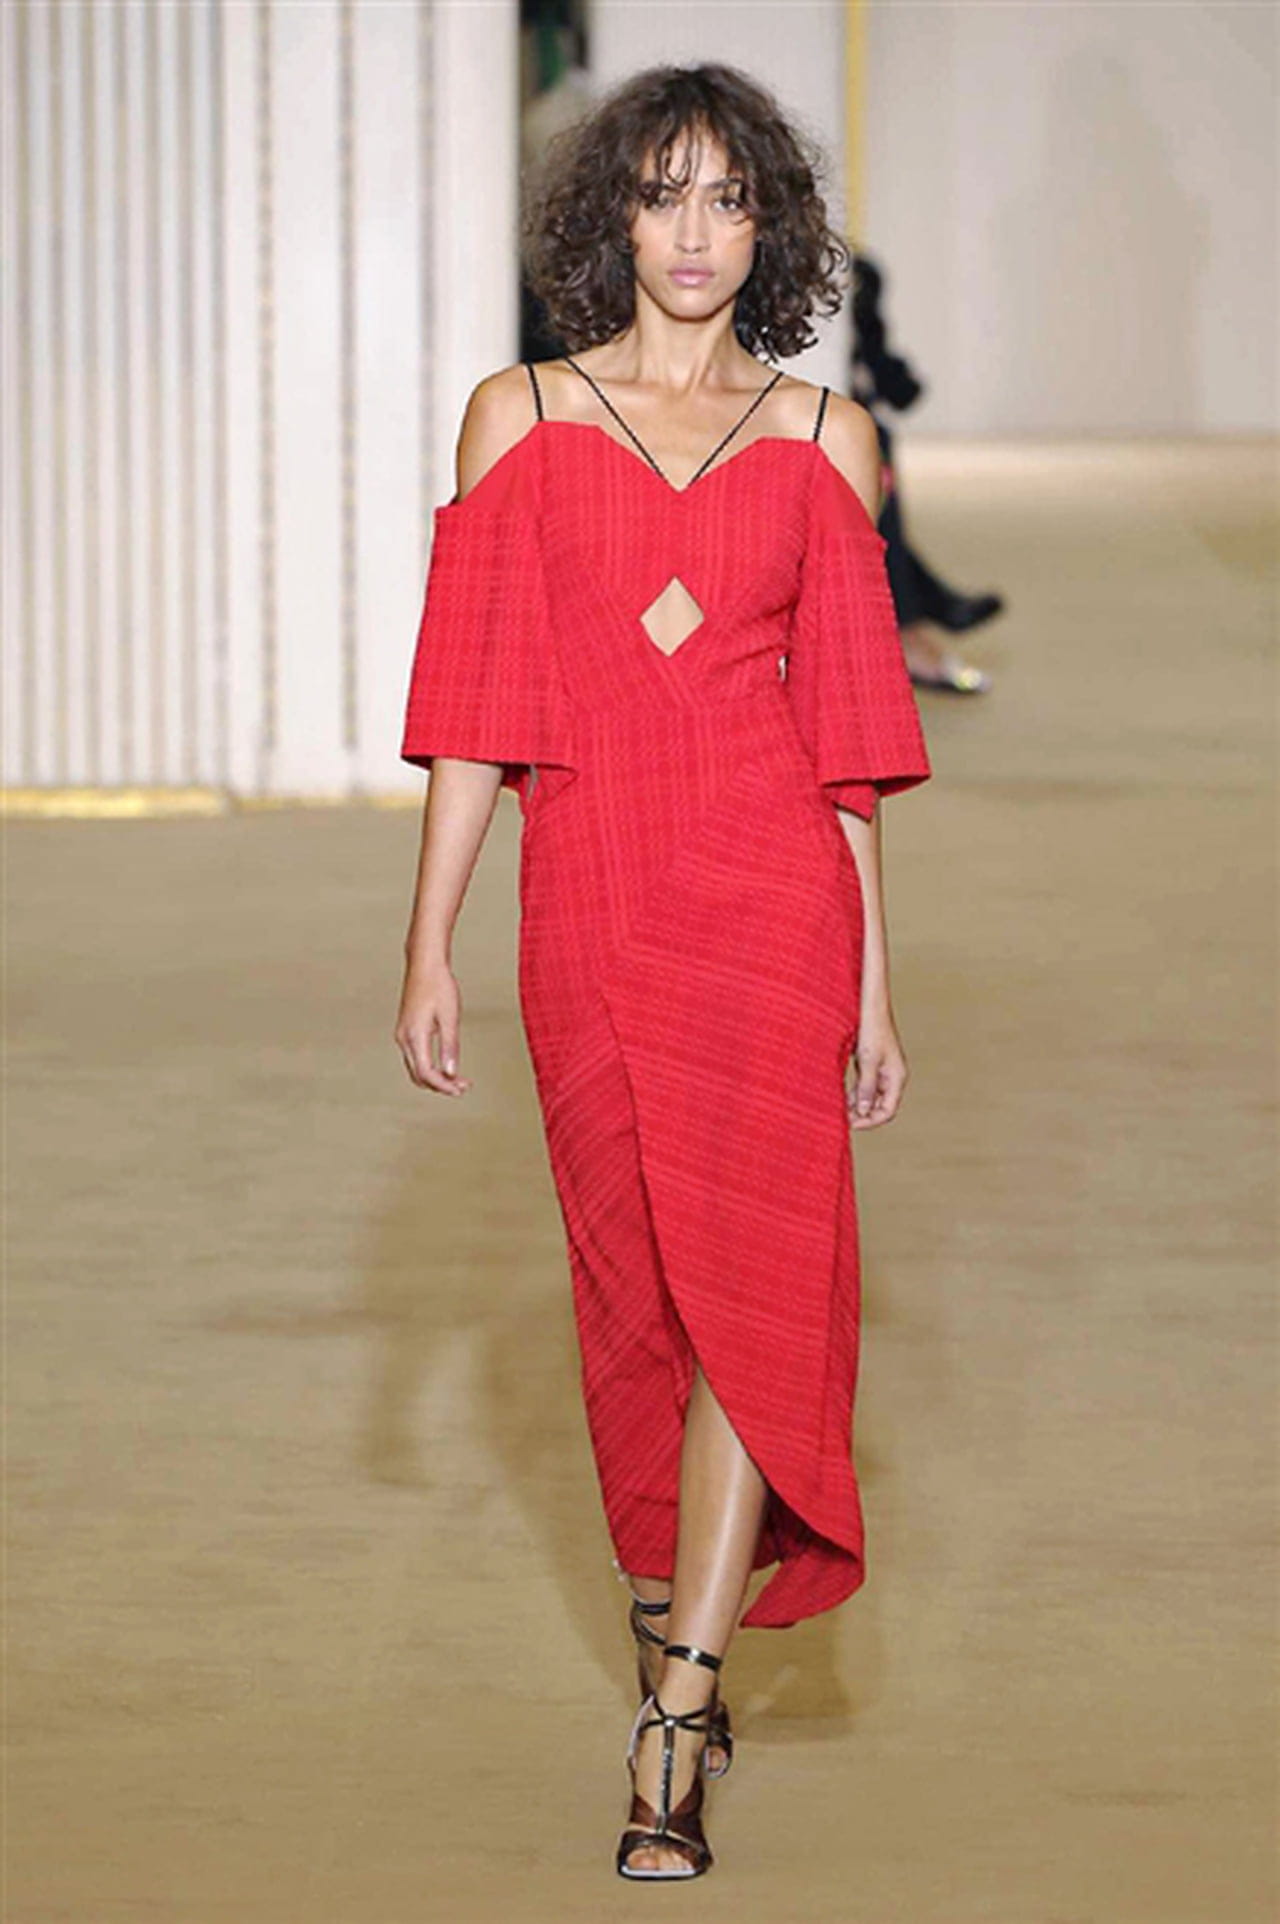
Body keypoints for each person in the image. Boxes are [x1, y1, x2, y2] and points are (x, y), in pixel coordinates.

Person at [394, 62, 931, 1883]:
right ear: (606, 214)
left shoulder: (823, 439)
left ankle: (678, 1713)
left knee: (751, 1291)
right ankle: (670, 1626)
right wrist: (428, 943)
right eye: (661, 193)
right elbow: (478, 705)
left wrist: (875, 984)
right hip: (590, 904)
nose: (694, 233)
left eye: (728, 198)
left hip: (774, 907)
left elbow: (848, 742)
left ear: (768, 227)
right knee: (633, 1296)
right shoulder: (519, 417)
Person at [851, 248, 1004, 694]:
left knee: (871, 460)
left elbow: (881, 365)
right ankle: (921, 617)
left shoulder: (857, 276)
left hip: (841, 415)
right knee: (868, 460)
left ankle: (922, 614)